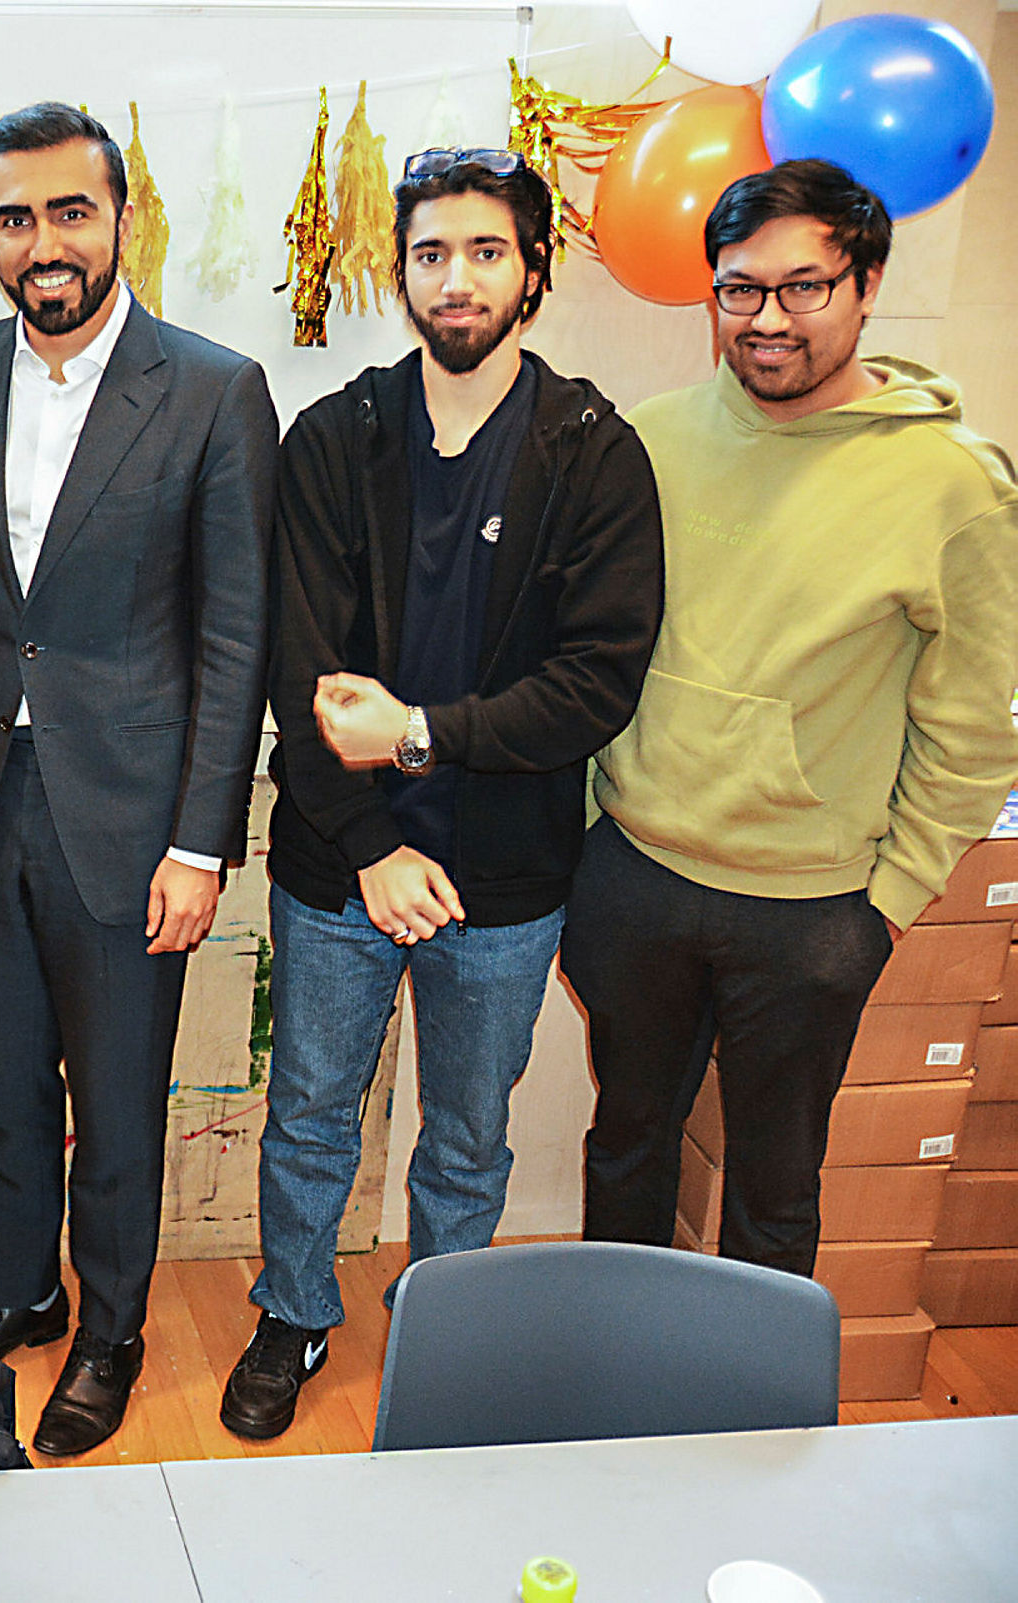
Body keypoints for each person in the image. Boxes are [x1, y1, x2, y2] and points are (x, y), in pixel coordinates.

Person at [223, 149, 665, 1441]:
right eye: (431, 253)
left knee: (467, 1135)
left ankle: (447, 1327)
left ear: (533, 271)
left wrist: (417, 734)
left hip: (505, 880)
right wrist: (371, 844)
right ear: (401, 273)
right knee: (311, 1115)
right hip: (337, 865)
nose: (456, 277)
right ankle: (294, 1310)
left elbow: (595, 684)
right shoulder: (333, 437)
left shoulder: (594, 451)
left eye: (485, 250)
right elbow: (298, 672)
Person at [0, 102, 275, 1457]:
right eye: (13, 216)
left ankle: (110, 1331)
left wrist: (203, 841)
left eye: (69, 211)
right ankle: (22, 1292)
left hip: (131, 814)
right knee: (1, 1085)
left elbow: (236, 635)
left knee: (114, 1101)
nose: (42, 242)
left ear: (122, 219)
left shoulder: (214, 388)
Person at [569, 157, 1018, 1273]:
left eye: (804, 286)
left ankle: (749, 1387)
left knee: (774, 1189)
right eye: (741, 288)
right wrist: (586, 831)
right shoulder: (647, 440)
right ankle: (613, 1364)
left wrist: (892, 900)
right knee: (625, 1148)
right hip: (635, 877)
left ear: (866, 286)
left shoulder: (954, 485)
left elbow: (973, 727)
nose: (768, 319)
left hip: (814, 909)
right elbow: (582, 652)